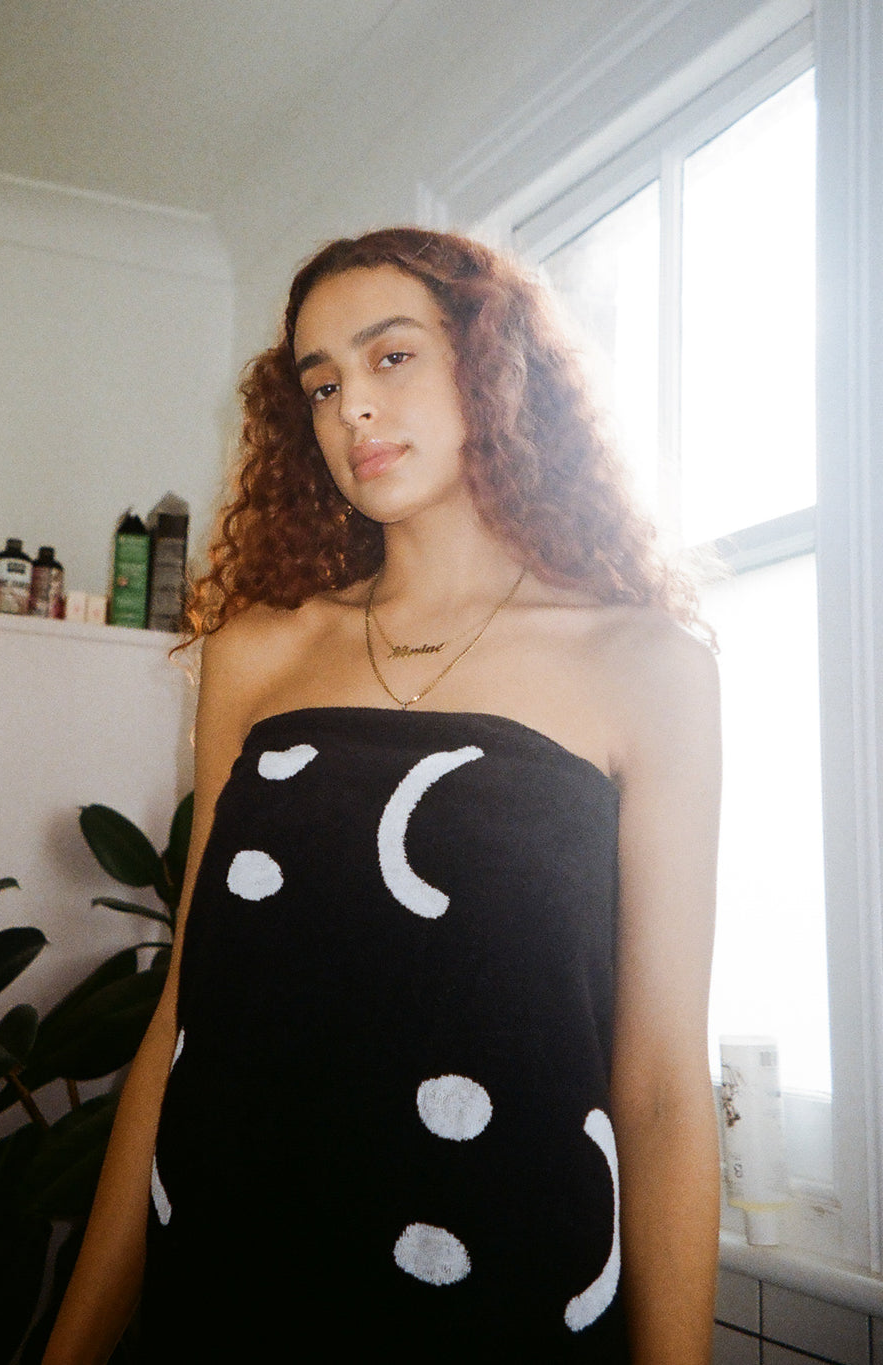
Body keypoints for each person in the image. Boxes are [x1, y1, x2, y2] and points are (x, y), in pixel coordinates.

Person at [44, 227, 721, 1363]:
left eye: (390, 356)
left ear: (492, 367)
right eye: (321, 383)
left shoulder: (647, 667)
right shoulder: (258, 653)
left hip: (503, 1299)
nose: (351, 405)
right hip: (229, 1287)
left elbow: (657, 1088)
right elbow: (184, 1021)